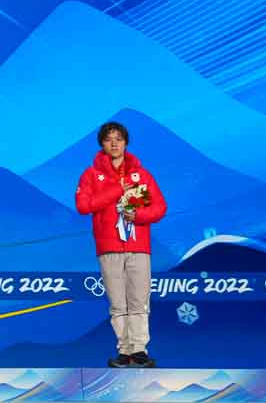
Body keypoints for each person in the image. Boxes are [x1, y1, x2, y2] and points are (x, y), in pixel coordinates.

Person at [75, 120, 167, 368]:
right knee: (118, 302)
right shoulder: (91, 175)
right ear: (102, 144)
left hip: (138, 247)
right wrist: (116, 189)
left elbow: (159, 207)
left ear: (126, 142)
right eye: (109, 138)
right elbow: (84, 206)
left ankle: (139, 350)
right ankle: (124, 352)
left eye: (118, 138)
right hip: (109, 247)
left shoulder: (142, 174)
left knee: (139, 300)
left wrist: (138, 216)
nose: (114, 143)